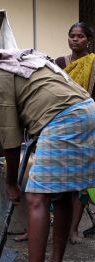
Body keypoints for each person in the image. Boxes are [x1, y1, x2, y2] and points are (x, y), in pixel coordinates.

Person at [0, 49, 95, 262]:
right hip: (87, 111)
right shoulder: (13, 65)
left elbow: (10, 143)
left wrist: (11, 182)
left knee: (35, 198)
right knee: (63, 195)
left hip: (63, 119)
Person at [55, 22, 95, 244]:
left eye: (80, 36)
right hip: (60, 125)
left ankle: (73, 230)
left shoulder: (94, 64)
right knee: (59, 179)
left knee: (81, 180)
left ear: (88, 39)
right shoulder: (59, 64)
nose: (75, 40)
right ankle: (58, 230)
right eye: (72, 36)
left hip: (86, 125)